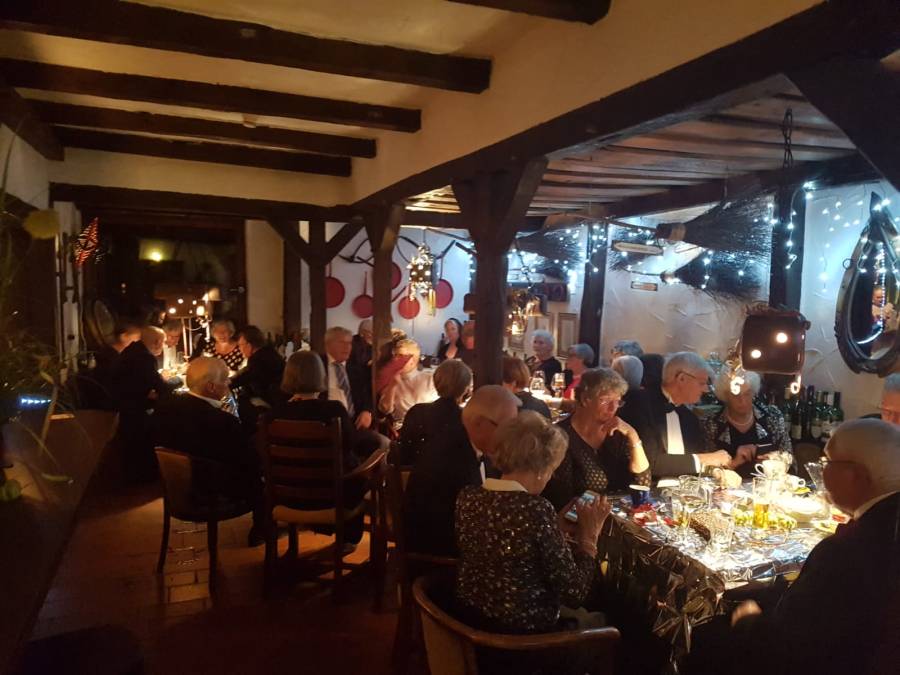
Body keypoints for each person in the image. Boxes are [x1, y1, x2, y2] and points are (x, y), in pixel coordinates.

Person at [698, 419, 900, 675]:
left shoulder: (843, 553)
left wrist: (748, 619)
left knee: (707, 637)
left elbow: (787, 648)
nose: (820, 471)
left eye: (826, 463)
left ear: (856, 476)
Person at [455, 411, 610, 635]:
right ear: (540, 470)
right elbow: (575, 593)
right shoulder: (536, 509)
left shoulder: (468, 497)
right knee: (605, 619)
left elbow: (511, 547)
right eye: (552, 471)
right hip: (524, 639)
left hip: (472, 623)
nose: (550, 478)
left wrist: (554, 528)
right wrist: (589, 538)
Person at [152, 357, 265, 545]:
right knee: (261, 475)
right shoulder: (221, 421)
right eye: (225, 379)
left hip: (177, 489)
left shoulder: (165, 409)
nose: (228, 383)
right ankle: (263, 528)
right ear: (211, 387)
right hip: (212, 493)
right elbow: (249, 461)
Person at [270, 351, 375, 543]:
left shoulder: (273, 414)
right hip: (332, 498)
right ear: (321, 375)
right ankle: (349, 540)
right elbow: (350, 444)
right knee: (361, 472)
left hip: (286, 496)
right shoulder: (334, 410)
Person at [404, 385, 521, 557]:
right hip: (440, 560)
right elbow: (450, 531)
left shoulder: (467, 442)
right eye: (506, 428)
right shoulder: (451, 459)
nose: (509, 437)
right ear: (479, 422)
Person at [543, 368, 651, 510]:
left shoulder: (619, 434)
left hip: (621, 516)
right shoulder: (561, 437)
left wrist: (633, 436)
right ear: (584, 399)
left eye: (617, 401)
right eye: (605, 400)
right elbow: (562, 499)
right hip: (579, 519)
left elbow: (643, 484)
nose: (613, 408)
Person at [620, 352, 731, 478]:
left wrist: (718, 472)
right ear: (681, 378)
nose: (706, 389)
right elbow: (649, 462)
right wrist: (704, 459)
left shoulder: (690, 418)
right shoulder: (639, 403)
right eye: (702, 383)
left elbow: (699, 458)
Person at [701, 369, 792, 478]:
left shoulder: (772, 417)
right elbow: (704, 472)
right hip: (728, 487)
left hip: (767, 485)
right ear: (725, 396)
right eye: (735, 395)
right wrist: (733, 463)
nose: (742, 400)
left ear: (753, 393)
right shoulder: (711, 424)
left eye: (747, 394)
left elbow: (790, 458)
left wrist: (772, 459)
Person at [111, 326, 173, 482]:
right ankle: (144, 477)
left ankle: (134, 475)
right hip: (134, 409)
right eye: (163, 342)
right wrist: (179, 380)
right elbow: (161, 387)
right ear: (157, 342)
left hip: (123, 404)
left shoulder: (132, 350)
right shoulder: (145, 357)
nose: (164, 345)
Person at [397, 359, 472, 466]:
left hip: (417, 473)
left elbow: (403, 453)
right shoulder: (467, 418)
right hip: (455, 475)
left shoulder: (416, 411)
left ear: (436, 382)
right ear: (466, 389)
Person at [231, 326, 285, 427]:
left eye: (241, 345)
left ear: (249, 345)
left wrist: (227, 383)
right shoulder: (268, 352)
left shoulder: (258, 358)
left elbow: (247, 377)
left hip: (272, 400)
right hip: (276, 397)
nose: (240, 349)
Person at [322, 326, 374, 431]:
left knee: (381, 440)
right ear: (328, 345)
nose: (347, 347)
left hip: (355, 425)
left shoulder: (356, 368)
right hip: (325, 425)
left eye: (349, 343)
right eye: (341, 342)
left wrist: (367, 411)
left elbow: (366, 396)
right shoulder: (318, 365)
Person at [377, 338, 437, 428]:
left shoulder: (429, 379)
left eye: (401, 356)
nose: (395, 359)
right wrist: (392, 386)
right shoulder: (390, 379)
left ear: (413, 360)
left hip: (428, 426)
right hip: (404, 428)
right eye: (395, 355)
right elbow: (385, 410)